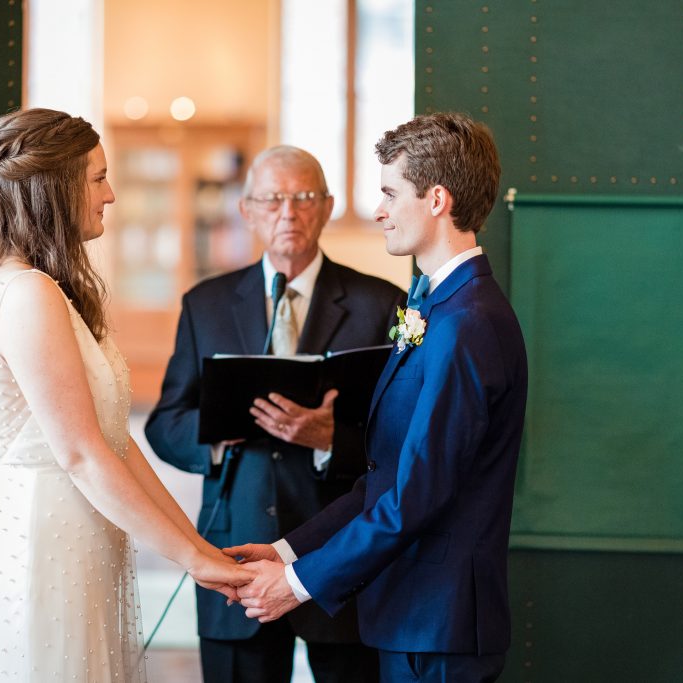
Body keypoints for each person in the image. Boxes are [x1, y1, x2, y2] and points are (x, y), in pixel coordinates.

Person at [0, 108, 249, 683]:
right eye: (97, 178)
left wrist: (200, 550)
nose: (110, 195)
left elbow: (118, 446)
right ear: (53, 190)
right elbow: (81, 455)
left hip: (79, 546)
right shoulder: (28, 293)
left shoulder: (52, 290)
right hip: (40, 550)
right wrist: (194, 563)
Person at [228, 112, 529, 683]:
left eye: (391, 193)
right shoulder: (435, 308)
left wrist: (296, 586)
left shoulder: (469, 322)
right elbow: (384, 477)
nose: (380, 210)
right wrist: (288, 551)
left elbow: (417, 494)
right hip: (411, 616)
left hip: (439, 625)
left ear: (437, 199)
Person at [144, 145, 405, 683]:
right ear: (248, 209)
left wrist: (331, 437)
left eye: (304, 197)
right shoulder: (206, 304)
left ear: (328, 205)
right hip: (234, 555)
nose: (289, 212)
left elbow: (403, 444)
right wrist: (217, 435)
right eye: (273, 199)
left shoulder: (381, 303)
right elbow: (164, 421)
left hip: (341, 557)